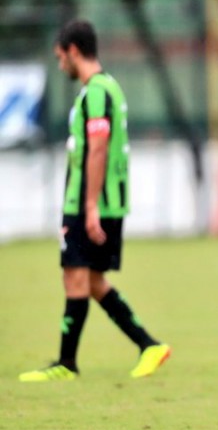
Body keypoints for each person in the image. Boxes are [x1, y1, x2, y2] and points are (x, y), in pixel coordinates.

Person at [19, 20, 171, 382]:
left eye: (60, 57)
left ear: (73, 51)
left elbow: (98, 149)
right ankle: (148, 345)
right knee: (91, 281)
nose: (61, 66)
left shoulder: (97, 93)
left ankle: (67, 363)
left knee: (75, 276)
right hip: (100, 201)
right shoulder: (107, 88)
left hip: (92, 202)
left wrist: (88, 207)